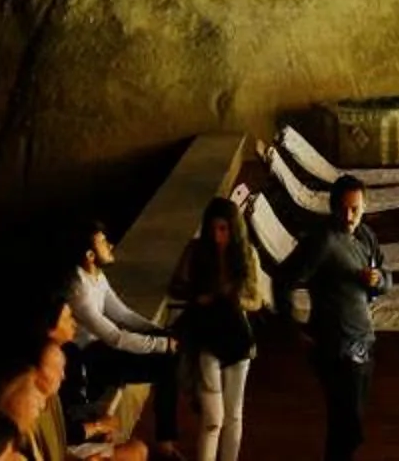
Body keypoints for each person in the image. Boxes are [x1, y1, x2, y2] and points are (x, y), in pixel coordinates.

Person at [281, 177, 390, 461]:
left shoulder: (366, 236)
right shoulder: (322, 242)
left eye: (355, 209)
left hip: (364, 341)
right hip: (335, 347)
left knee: (349, 426)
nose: (349, 216)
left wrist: (378, 280)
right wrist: (292, 326)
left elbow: (387, 277)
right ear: (332, 208)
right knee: (346, 424)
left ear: (365, 206)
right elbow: (283, 279)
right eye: (343, 209)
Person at [168, 196, 270, 461]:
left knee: (234, 415)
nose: (217, 236)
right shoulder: (196, 251)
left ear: (234, 229)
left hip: (237, 337)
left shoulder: (247, 254)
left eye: (223, 229)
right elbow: (176, 285)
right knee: (213, 417)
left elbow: (257, 298)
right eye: (213, 229)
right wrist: (201, 296)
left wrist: (235, 299)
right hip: (206, 338)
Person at [63, 222, 177, 450]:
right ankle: (166, 441)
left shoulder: (97, 276)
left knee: (169, 362)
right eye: (103, 242)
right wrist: (162, 344)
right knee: (166, 365)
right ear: (90, 255)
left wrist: (158, 332)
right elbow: (115, 337)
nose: (110, 245)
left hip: (102, 350)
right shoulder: (79, 290)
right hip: (88, 361)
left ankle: (166, 438)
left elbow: (123, 314)